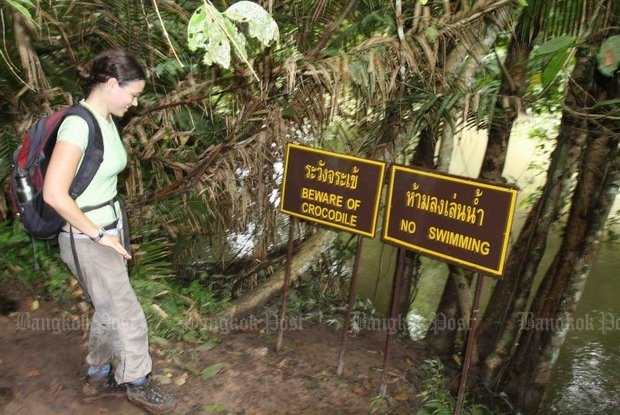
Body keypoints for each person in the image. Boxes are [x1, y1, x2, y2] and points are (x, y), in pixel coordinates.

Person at [43, 49, 175, 414]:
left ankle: (99, 373)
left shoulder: (105, 119)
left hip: (106, 231)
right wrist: (101, 236)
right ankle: (137, 381)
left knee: (107, 308)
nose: (135, 103)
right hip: (87, 238)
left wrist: (112, 231)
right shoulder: (78, 125)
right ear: (112, 83)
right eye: (132, 94)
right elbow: (54, 193)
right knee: (127, 312)